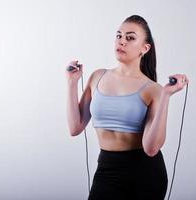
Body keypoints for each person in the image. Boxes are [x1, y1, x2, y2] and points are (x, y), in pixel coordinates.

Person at [66, 15, 189, 200]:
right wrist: (71, 83)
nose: (122, 41)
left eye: (130, 38)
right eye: (119, 36)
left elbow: (151, 149)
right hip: (106, 170)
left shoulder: (153, 90)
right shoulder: (97, 77)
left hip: (145, 174)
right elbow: (75, 127)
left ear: (145, 48)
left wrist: (165, 96)